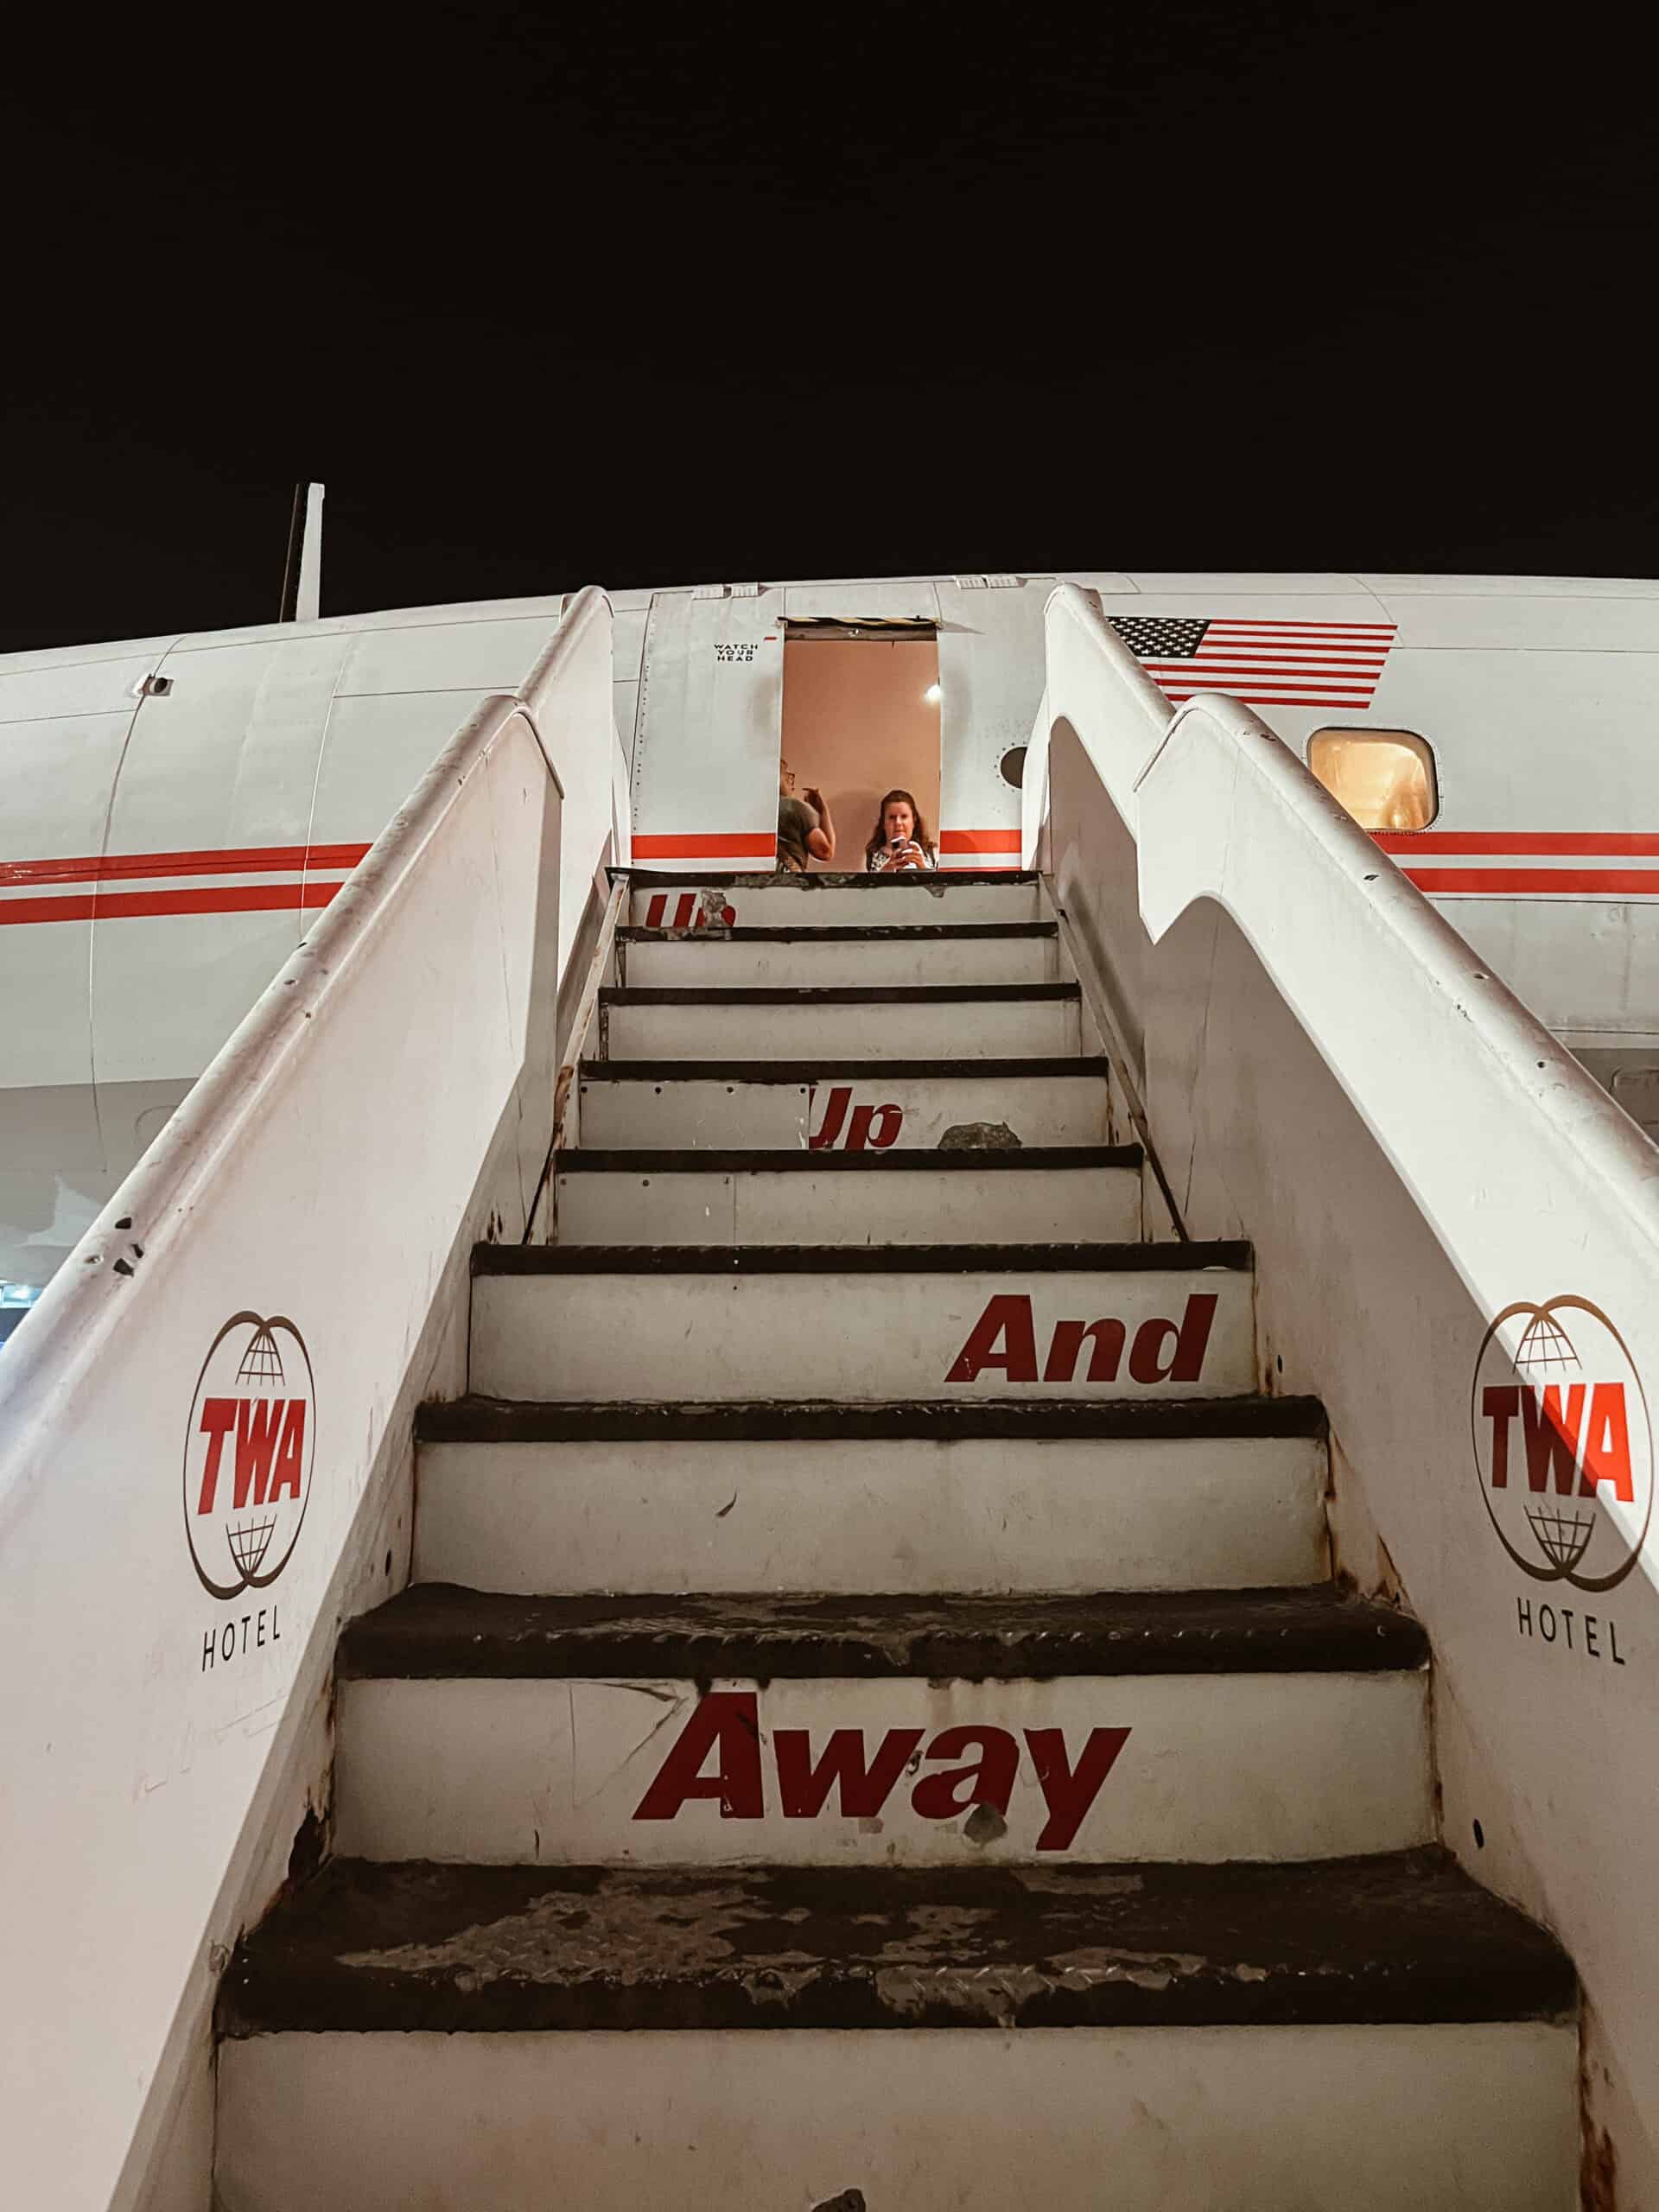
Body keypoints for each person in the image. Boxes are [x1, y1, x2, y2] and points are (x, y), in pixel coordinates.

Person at [778, 759, 836, 872]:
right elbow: (825, 852)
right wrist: (822, 811)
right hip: (787, 881)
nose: (791, 779)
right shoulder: (795, 807)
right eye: (786, 773)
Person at [865, 789, 936, 871]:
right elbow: (871, 883)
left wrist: (922, 866)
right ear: (883, 823)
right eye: (892, 817)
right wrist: (885, 872)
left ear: (914, 821)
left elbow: (940, 883)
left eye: (904, 816)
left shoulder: (932, 852)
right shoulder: (873, 853)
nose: (898, 822)